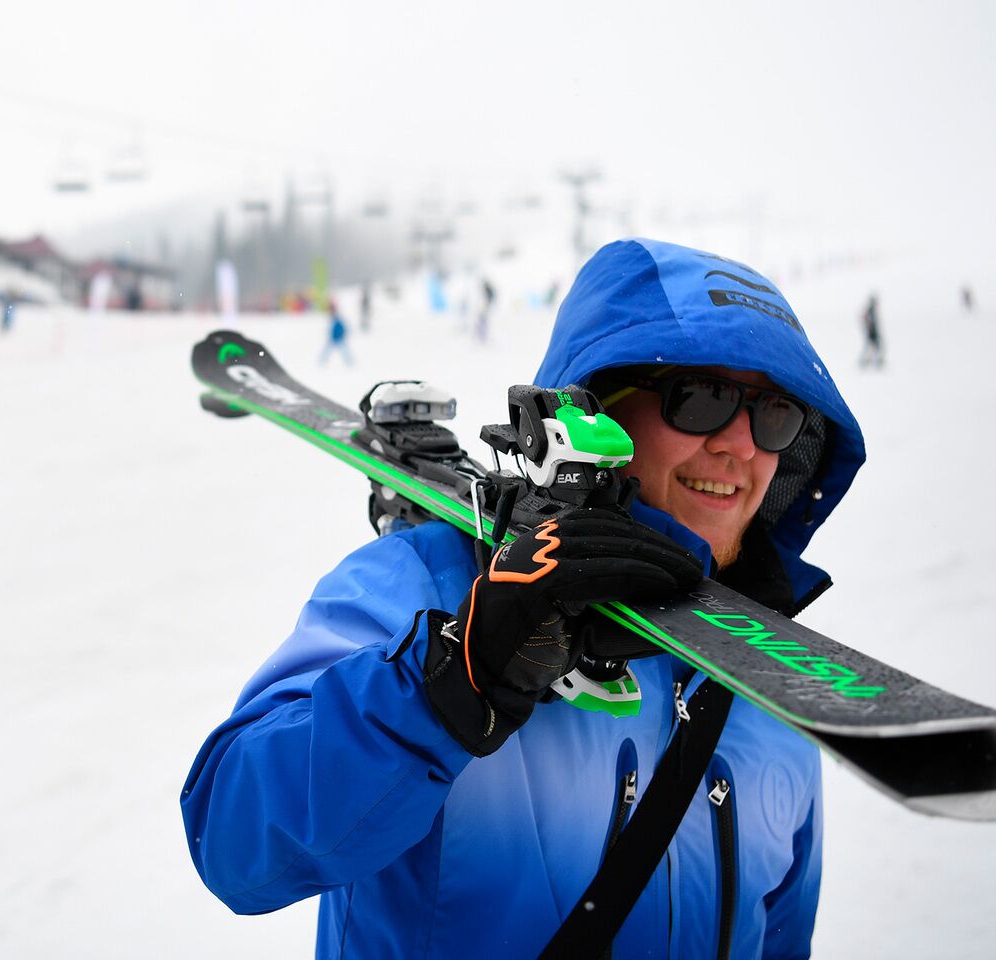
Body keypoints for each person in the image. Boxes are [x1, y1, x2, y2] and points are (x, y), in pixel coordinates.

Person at [181, 238, 865, 957]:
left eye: (775, 416)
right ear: (601, 409)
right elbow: (234, 841)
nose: (740, 446)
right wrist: (451, 677)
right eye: (703, 399)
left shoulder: (772, 687)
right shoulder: (424, 583)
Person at [859, 293, 884, 368]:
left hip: (872, 331)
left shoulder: (871, 309)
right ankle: (867, 361)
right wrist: (869, 327)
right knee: (874, 347)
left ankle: (868, 361)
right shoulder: (871, 309)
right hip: (872, 332)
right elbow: (865, 318)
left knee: (873, 347)